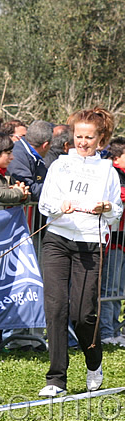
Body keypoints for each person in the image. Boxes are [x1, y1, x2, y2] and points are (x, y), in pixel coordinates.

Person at [38, 107, 123, 397]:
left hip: (91, 243)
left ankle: (93, 360)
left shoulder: (107, 171)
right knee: (56, 308)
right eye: (78, 136)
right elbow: (44, 204)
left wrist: (108, 208)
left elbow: (116, 210)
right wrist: (58, 206)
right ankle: (56, 378)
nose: (83, 142)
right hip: (57, 240)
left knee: (83, 314)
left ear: (101, 140)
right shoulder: (59, 166)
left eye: (89, 137)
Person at [99, 137, 125, 346]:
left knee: (119, 290)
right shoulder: (112, 172)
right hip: (113, 241)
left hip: (122, 241)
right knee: (110, 289)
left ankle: (116, 329)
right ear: (116, 157)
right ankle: (106, 331)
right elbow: (117, 196)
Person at [7, 120, 53, 201]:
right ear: (45, 145)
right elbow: (29, 188)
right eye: (50, 144)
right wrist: (59, 189)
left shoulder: (33, 156)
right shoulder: (17, 155)